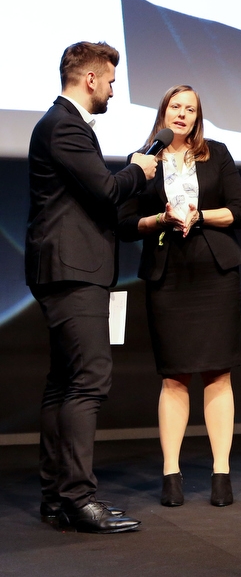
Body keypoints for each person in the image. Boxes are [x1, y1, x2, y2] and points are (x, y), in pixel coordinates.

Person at [25, 41, 156, 533]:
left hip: (68, 270)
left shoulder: (62, 126)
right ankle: (78, 499)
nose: (114, 89)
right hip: (72, 271)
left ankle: (57, 498)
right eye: (111, 80)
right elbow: (105, 190)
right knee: (88, 380)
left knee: (64, 382)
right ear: (91, 80)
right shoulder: (64, 126)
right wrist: (139, 170)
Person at [118, 85, 241, 507]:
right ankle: (171, 474)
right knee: (174, 376)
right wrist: (162, 217)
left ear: (198, 116)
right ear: (163, 112)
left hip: (214, 273)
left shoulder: (218, 153)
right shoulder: (143, 160)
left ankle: (221, 474)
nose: (182, 114)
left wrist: (198, 214)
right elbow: (125, 223)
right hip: (168, 273)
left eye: (190, 108)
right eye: (175, 107)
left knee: (218, 373)